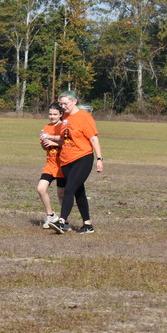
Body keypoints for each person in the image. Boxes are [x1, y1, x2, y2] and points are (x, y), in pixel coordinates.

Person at [44, 90, 104, 234]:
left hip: (82, 157)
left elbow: (93, 138)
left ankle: (62, 221)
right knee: (79, 192)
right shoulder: (65, 117)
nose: (62, 106)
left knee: (69, 188)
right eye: (61, 104)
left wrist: (99, 159)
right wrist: (49, 138)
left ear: (74, 102)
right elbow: (65, 138)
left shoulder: (84, 117)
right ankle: (87, 225)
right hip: (66, 160)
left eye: (65, 103)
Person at [37, 102, 66, 228]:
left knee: (61, 194)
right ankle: (51, 215)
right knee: (41, 189)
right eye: (50, 114)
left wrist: (54, 142)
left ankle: (64, 219)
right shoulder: (47, 127)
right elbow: (45, 147)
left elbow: (67, 143)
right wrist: (44, 142)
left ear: (61, 115)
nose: (52, 117)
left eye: (55, 114)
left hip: (62, 165)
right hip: (50, 164)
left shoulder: (64, 127)